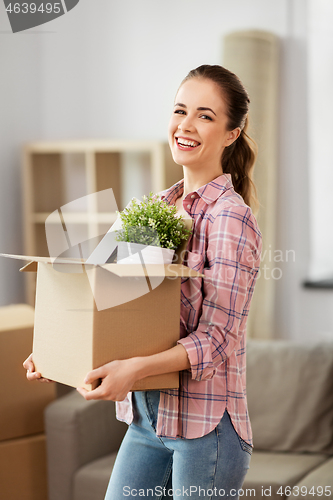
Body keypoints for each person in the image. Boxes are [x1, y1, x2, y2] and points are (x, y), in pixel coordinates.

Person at [24, 64, 262, 499]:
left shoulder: (230, 218)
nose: (185, 126)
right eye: (180, 110)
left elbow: (217, 339)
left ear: (231, 133)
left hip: (206, 430)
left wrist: (131, 369)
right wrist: (58, 350)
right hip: (147, 421)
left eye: (205, 116)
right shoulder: (154, 208)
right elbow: (112, 303)